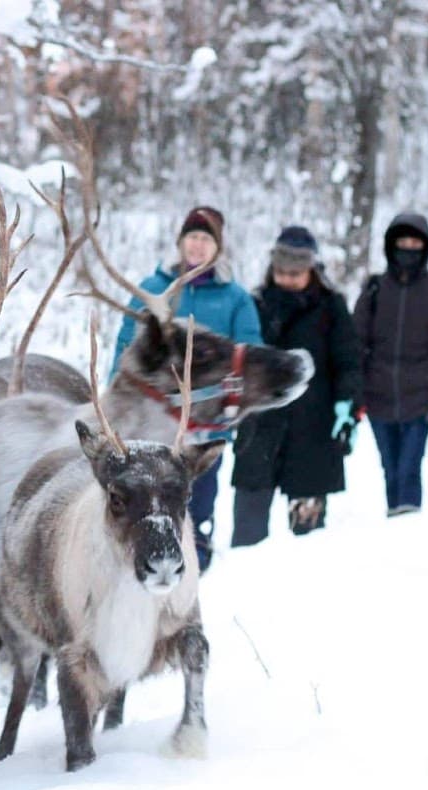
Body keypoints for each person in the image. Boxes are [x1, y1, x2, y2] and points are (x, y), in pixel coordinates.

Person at [110, 205, 262, 572]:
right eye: (192, 237)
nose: (197, 245)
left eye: (205, 239)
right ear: (180, 243)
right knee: (146, 503)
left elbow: (247, 352)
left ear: (217, 248)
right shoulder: (153, 289)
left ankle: (196, 571)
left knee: (197, 502)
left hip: (204, 422)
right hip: (150, 422)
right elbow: (125, 346)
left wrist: (236, 407)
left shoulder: (235, 298)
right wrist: (115, 400)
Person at [229, 227, 363, 545]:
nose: (287, 279)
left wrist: (348, 409)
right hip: (260, 427)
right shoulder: (255, 305)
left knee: (308, 542)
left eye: (295, 273)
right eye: (281, 272)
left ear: (312, 270)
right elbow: (238, 358)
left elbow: (349, 363)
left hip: (313, 432)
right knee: (249, 535)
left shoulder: (332, 309)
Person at [353, 212, 428, 516]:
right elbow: (356, 343)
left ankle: (408, 526)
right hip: (378, 396)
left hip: (422, 397)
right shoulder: (374, 290)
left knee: (409, 468)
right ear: (391, 246)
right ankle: (396, 526)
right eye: (402, 242)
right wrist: (354, 393)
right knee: (390, 468)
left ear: (425, 248)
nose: (408, 248)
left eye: (415, 242)